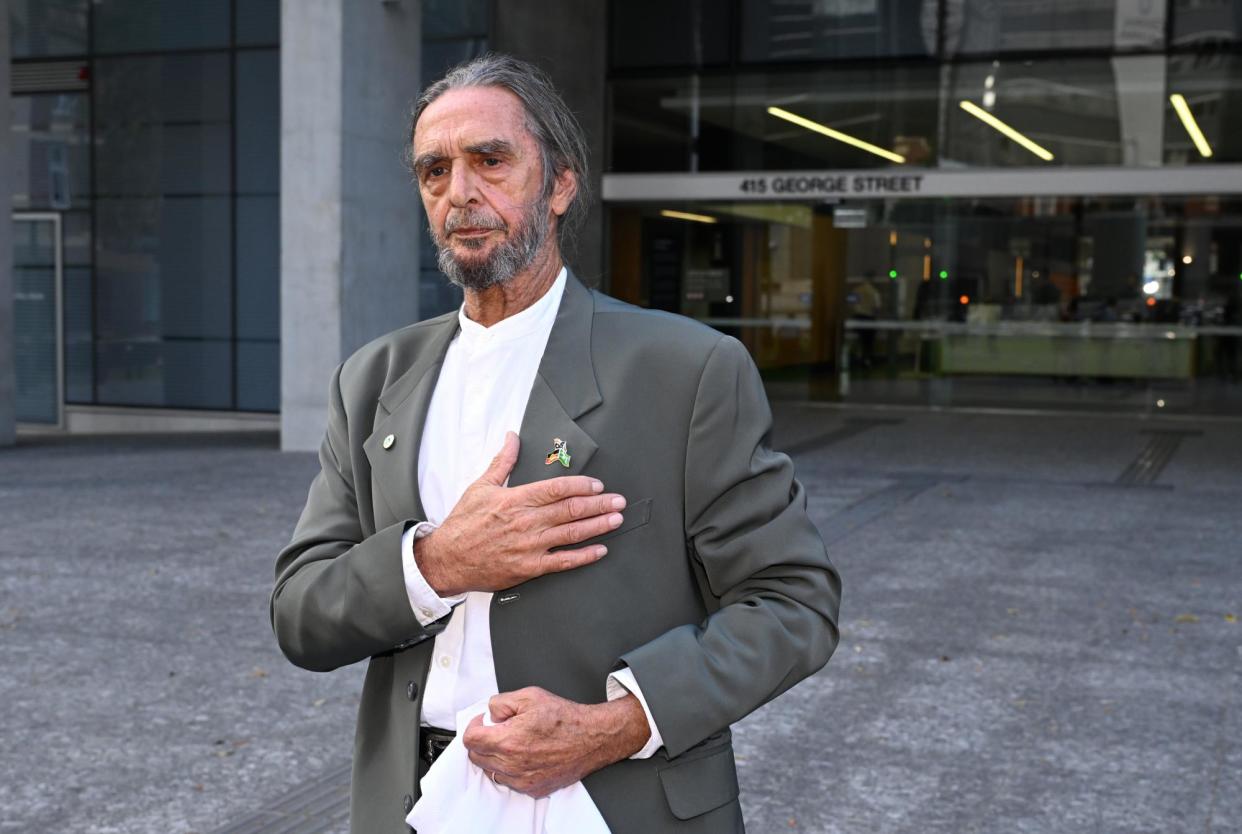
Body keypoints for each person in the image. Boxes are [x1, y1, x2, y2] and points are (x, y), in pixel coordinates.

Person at [270, 54, 841, 834]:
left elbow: (793, 605)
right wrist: (438, 563)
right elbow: (301, 613)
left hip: (615, 802)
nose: (459, 192)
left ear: (561, 183)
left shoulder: (686, 369)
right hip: (412, 805)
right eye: (434, 170)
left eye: (491, 160)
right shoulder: (372, 380)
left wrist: (617, 725)